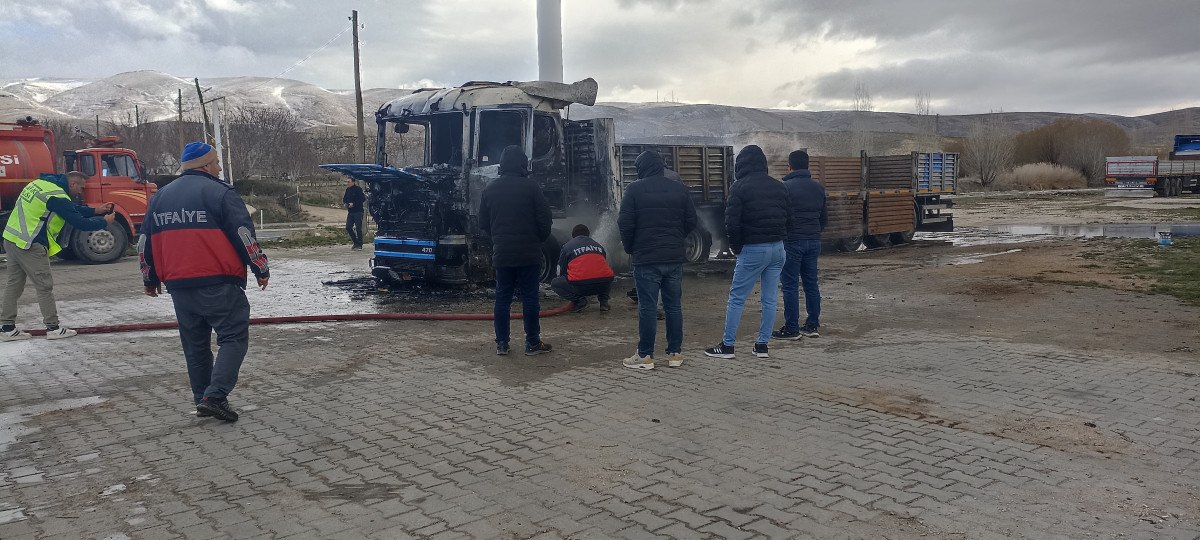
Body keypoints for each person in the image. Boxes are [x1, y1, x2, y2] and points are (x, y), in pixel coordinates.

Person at [138, 142, 270, 422]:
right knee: (233, 337)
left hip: (179, 285)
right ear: (206, 165)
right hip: (218, 281)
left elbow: (144, 242)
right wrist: (260, 267)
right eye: (217, 163)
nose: (219, 168)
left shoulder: (159, 198)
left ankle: (202, 399)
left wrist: (149, 278)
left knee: (195, 345)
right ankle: (215, 397)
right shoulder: (221, 193)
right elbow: (244, 234)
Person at [1, 172, 115, 341]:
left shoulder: (41, 184)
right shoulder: (58, 196)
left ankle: (7, 329)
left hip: (11, 239)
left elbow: (69, 209)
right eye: (81, 188)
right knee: (44, 286)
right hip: (30, 244)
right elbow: (80, 222)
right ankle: (53, 328)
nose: (81, 192)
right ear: (73, 184)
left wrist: (95, 210)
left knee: (14, 285)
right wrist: (104, 221)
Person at [704, 144, 790, 360]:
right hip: (778, 249)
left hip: (753, 249)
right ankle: (762, 346)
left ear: (741, 164)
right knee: (769, 299)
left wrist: (736, 247)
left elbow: (732, 223)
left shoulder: (739, 187)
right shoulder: (779, 187)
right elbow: (790, 218)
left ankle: (728, 346)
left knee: (737, 298)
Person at [617, 150, 697, 370]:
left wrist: (631, 248)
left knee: (648, 308)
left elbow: (625, 223)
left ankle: (645, 356)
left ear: (641, 168)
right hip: (673, 257)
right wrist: (676, 239)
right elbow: (691, 220)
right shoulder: (679, 188)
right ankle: (675, 354)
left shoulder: (634, 189)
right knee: (673, 306)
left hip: (646, 258)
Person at [478, 145, 553, 356]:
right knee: (530, 298)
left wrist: (497, 240)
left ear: (502, 164)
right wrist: (538, 240)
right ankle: (532, 343)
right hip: (529, 253)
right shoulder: (532, 188)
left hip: (503, 254)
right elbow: (545, 220)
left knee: (502, 298)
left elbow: (483, 223)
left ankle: (502, 343)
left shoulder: (489, 190)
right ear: (522, 164)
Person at [773, 150, 826, 340]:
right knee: (811, 284)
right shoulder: (818, 188)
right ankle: (812, 326)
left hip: (792, 242)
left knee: (790, 285)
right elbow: (824, 218)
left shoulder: (784, 188)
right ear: (807, 165)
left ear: (790, 166)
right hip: (814, 241)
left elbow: (780, 217)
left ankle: (792, 328)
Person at [551, 224, 614, 313]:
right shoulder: (598, 246)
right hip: (603, 284)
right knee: (604, 275)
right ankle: (604, 303)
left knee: (555, 283)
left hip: (581, 286)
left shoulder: (567, 246)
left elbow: (561, 270)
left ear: (573, 236)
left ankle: (580, 301)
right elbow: (602, 266)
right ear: (588, 234)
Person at [343, 178, 366, 250]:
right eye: (347, 182)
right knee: (348, 227)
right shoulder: (348, 190)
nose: (347, 183)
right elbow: (345, 198)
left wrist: (354, 204)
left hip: (358, 211)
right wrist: (345, 203)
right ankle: (355, 242)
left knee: (358, 228)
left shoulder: (358, 189)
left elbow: (363, 199)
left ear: (353, 182)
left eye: (349, 182)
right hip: (351, 211)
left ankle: (360, 244)